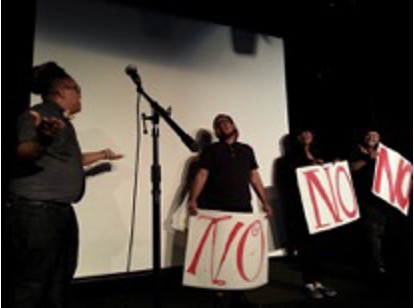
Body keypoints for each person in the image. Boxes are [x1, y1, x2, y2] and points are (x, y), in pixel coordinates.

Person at [4, 61, 123, 308]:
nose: (80, 96)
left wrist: (102, 154)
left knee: (58, 282)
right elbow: (24, 151)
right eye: (77, 90)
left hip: (58, 212)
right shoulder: (37, 115)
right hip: (37, 213)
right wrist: (43, 139)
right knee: (31, 285)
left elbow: (70, 160)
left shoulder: (61, 122)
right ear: (61, 90)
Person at [187, 114, 272, 308]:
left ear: (234, 125)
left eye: (226, 122)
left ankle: (238, 296)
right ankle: (218, 295)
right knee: (218, 252)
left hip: (242, 206)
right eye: (218, 124)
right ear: (216, 131)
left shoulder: (247, 150)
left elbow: (254, 177)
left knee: (239, 252)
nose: (223, 125)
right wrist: (193, 199)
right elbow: (202, 174)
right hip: (216, 207)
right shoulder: (210, 150)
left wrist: (265, 202)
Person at [285, 129, 337, 299]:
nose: (306, 136)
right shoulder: (290, 158)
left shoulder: (319, 154)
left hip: (320, 209)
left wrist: (331, 166)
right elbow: (291, 179)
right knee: (307, 247)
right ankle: (308, 282)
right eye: (303, 134)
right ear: (298, 138)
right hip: (303, 209)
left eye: (309, 134)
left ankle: (319, 282)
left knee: (319, 246)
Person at [349, 129, 389, 276]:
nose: (371, 138)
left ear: (379, 138)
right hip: (366, 199)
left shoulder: (385, 153)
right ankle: (375, 266)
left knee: (381, 232)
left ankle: (379, 263)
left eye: (374, 136)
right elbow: (351, 168)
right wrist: (367, 159)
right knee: (371, 234)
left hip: (383, 200)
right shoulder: (356, 150)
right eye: (368, 135)